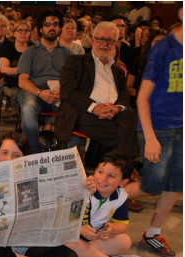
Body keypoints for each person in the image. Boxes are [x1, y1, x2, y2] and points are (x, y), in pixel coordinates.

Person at [0, 133, 80, 257]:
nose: (9, 159)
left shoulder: (34, 180)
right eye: (5, 153)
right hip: (2, 246)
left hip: (29, 243)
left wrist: (85, 190)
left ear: (24, 159)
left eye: (16, 155)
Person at [124, 10, 182, 257]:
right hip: (157, 126)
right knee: (152, 183)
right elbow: (143, 96)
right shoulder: (164, 48)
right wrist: (149, 136)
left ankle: (153, 233)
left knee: (176, 183)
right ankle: (97, 198)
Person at [54, 21, 138, 160]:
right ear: (92, 40)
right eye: (100, 39)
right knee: (126, 132)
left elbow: (124, 95)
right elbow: (68, 92)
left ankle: (114, 166)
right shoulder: (76, 62)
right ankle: (124, 167)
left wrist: (117, 108)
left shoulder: (117, 70)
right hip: (83, 112)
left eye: (109, 40)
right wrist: (94, 108)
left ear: (115, 43)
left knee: (134, 117)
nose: (104, 44)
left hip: (113, 114)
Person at [65, 154, 146, 257]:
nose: (102, 179)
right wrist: (80, 229)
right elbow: (64, 220)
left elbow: (123, 225)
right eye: (100, 171)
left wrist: (111, 228)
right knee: (69, 244)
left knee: (125, 241)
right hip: (71, 234)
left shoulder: (121, 196)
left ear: (123, 182)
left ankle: (81, 255)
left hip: (92, 239)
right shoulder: (84, 186)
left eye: (111, 176)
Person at [16, 8, 69, 153]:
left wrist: (62, 92)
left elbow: (73, 81)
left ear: (59, 28)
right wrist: (41, 93)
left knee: (76, 108)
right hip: (35, 93)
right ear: (40, 29)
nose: (52, 27)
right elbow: (22, 81)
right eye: (47, 24)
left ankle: (64, 153)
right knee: (28, 108)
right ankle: (35, 153)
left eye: (55, 24)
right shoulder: (30, 52)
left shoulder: (68, 53)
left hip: (60, 95)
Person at [0, 20, 31, 116]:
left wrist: (15, 70)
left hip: (30, 83)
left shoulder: (33, 49)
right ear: (14, 33)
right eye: (20, 30)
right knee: (18, 93)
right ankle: (20, 117)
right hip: (11, 83)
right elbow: (4, 69)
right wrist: (25, 70)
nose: (23, 33)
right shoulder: (7, 48)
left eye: (26, 30)